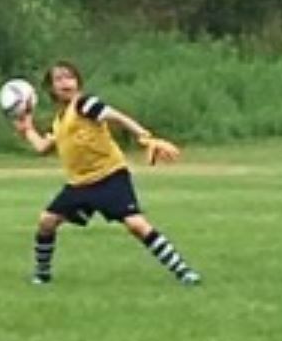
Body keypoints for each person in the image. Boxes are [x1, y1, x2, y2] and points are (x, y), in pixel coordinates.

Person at [13, 61, 201, 287]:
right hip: (80, 184)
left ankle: (183, 271)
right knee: (47, 221)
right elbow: (43, 148)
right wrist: (28, 129)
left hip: (110, 176)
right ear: (51, 88)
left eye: (70, 77)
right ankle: (42, 275)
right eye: (59, 79)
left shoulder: (84, 104)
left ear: (78, 82)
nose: (66, 82)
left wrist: (144, 136)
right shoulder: (60, 120)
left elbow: (116, 116)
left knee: (136, 225)